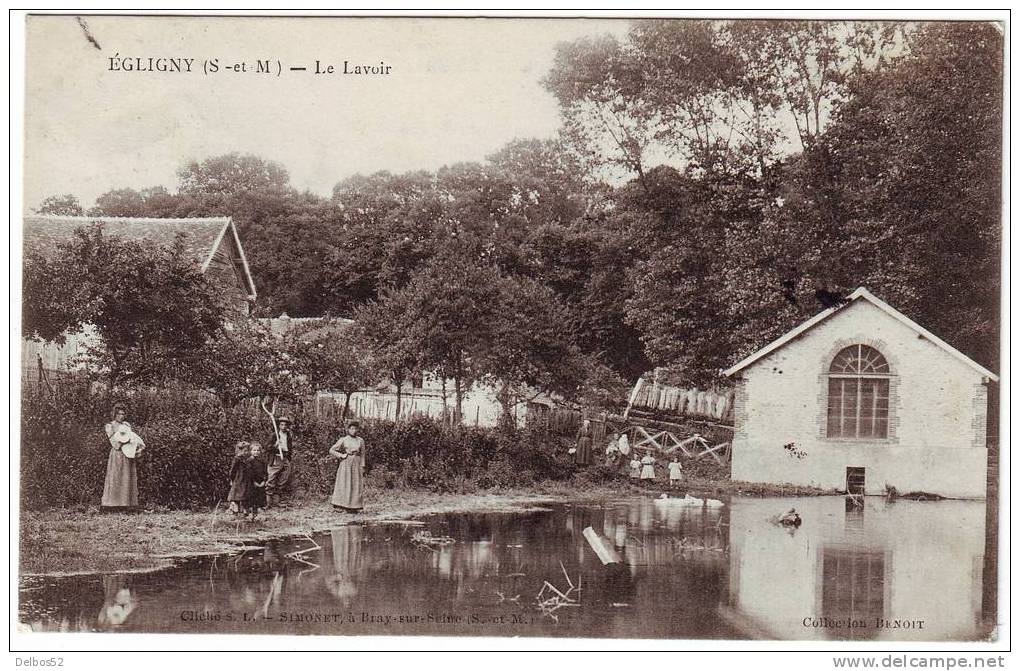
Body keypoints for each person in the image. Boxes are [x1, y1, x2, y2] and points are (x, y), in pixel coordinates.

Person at [102, 404, 141, 511]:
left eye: (123, 414)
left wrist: (134, 446)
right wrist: (125, 439)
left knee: (126, 477)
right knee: (116, 477)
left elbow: (133, 439)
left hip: (128, 453)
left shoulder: (126, 425)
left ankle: (126, 504)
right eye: (119, 414)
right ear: (114, 414)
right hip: (117, 455)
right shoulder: (110, 426)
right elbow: (115, 444)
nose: (121, 416)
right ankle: (112, 504)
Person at [330, 421, 365, 513]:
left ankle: (353, 506)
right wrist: (341, 455)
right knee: (345, 482)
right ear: (348, 430)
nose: (354, 431)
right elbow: (332, 450)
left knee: (355, 483)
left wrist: (363, 466)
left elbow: (363, 454)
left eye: (355, 429)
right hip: (346, 462)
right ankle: (341, 505)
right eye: (352, 429)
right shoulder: (344, 439)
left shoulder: (360, 440)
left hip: (356, 463)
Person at [265, 416, 296, 508]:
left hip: (285, 458)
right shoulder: (274, 435)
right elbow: (267, 447)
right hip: (276, 458)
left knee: (284, 479)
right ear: (278, 425)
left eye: (285, 425)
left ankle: (277, 501)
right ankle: (267, 503)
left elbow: (290, 448)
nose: (283, 426)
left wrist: (288, 458)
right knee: (271, 478)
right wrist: (275, 445)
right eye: (281, 424)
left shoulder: (288, 436)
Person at [245, 442, 268, 521]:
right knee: (252, 497)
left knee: (260, 497)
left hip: (261, 482)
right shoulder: (249, 461)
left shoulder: (262, 461)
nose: (256, 452)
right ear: (250, 451)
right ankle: (250, 513)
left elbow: (265, 472)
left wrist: (264, 481)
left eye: (258, 450)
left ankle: (260, 513)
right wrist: (254, 482)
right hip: (252, 483)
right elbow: (249, 473)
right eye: (254, 450)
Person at [227, 441, 251, 514]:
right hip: (239, 478)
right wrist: (232, 478)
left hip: (246, 478)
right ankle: (235, 507)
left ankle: (244, 508)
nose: (246, 452)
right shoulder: (237, 459)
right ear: (239, 451)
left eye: (247, 451)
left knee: (244, 493)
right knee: (236, 493)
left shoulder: (247, 459)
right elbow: (233, 470)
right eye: (245, 451)